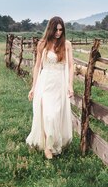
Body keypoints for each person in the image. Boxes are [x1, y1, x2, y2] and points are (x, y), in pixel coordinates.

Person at [26, 16, 74, 159]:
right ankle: (48, 148)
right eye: (56, 29)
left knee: (55, 115)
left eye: (61, 30)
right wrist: (33, 87)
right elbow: (37, 66)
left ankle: (50, 143)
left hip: (59, 83)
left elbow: (71, 66)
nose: (58, 32)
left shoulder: (67, 45)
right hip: (45, 83)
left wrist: (70, 85)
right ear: (50, 29)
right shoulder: (42, 44)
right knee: (47, 115)